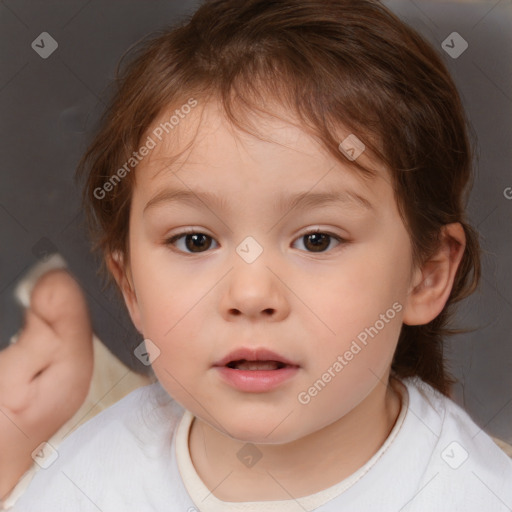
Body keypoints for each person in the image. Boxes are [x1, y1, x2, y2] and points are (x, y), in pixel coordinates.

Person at [11, 0, 512, 510]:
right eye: (196, 240)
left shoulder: (472, 493)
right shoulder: (90, 480)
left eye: (317, 240)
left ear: (425, 276)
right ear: (131, 284)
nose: (250, 295)